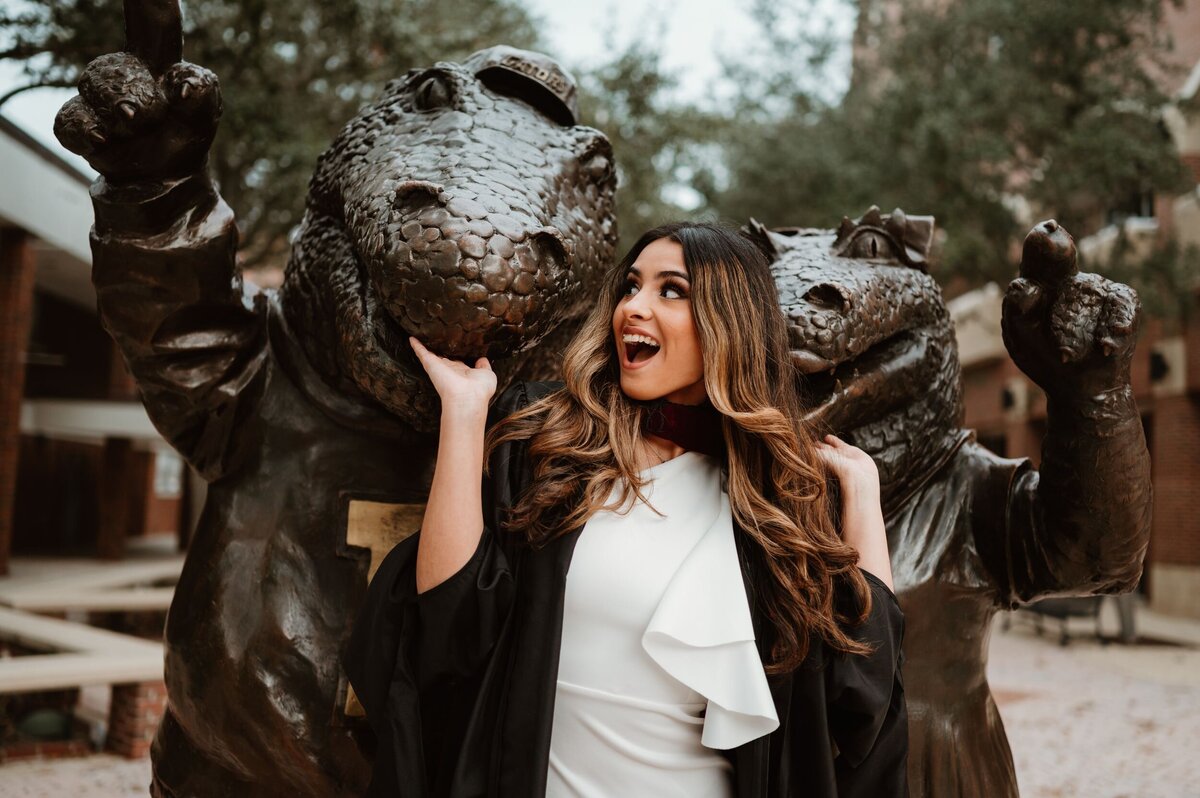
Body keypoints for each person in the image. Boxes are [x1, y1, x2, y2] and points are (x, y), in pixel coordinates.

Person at [344, 222, 907, 797]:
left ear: (730, 323)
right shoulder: (551, 439)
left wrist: (861, 495)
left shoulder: (773, 498)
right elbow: (449, 618)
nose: (633, 307)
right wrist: (464, 414)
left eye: (672, 290)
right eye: (631, 286)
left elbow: (863, 692)